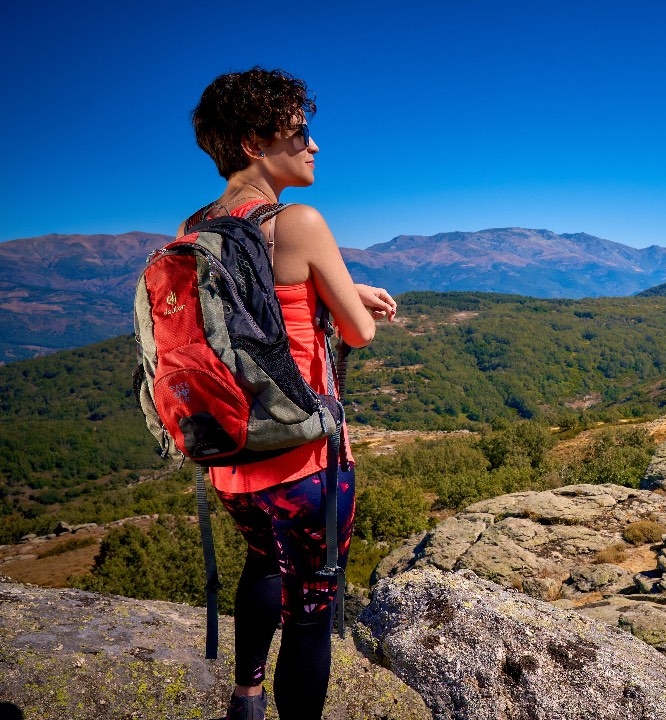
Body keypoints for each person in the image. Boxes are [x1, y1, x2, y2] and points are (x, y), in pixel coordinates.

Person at [184, 67, 396, 720]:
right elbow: (357, 333)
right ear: (255, 142)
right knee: (312, 608)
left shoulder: (197, 225)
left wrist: (329, 290)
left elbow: (251, 309)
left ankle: (245, 697)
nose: (315, 145)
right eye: (300, 131)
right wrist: (346, 294)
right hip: (306, 459)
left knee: (259, 560)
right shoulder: (298, 220)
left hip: (232, 451)